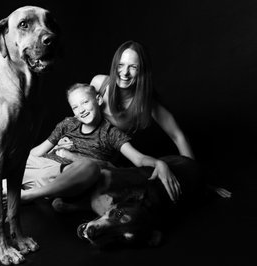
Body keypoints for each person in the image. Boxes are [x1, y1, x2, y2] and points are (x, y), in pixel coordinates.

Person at [87, 40, 230, 197]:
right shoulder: (99, 83)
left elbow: (178, 135)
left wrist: (197, 179)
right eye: (121, 65)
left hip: (107, 160)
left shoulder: (145, 103)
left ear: (142, 71)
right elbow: (79, 118)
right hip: (81, 146)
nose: (124, 72)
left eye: (133, 67)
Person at [21, 83, 181, 203]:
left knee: (90, 168)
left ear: (98, 100)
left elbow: (138, 159)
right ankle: (15, 189)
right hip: (42, 167)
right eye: (75, 107)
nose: (81, 110)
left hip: (67, 176)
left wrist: (159, 164)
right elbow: (37, 153)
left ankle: (28, 194)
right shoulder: (67, 124)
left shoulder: (111, 133)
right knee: (18, 158)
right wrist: (20, 159)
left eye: (85, 102)